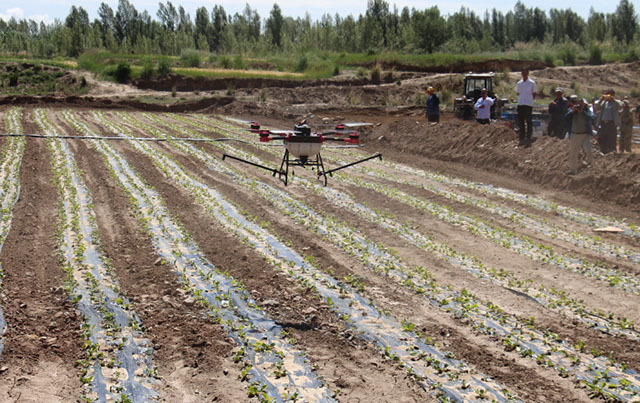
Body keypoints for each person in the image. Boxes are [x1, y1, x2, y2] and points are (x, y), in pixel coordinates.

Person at [565, 95, 594, 175]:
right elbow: (565, 117)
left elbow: (591, 117)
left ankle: (590, 165)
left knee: (588, 149)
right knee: (573, 153)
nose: (580, 105)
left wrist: (583, 112)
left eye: (582, 103)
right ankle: (573, 170)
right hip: (575, 134)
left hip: (585, 134)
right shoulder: (573, 111)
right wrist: (572, 111)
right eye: (579, 103)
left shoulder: (586, 111)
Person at [593, 89, 621, 154]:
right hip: (603, 124)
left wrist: (613, 100)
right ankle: (603, 152)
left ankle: (612, 152)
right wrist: (600, 100)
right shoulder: (604, 102)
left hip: (611, 124)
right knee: (602, 138)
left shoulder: (616, 102)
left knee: (611, 139)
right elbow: (597, 108)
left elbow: (620, 107)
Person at [515, 68, 537, 147]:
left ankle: (528, 136)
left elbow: (534, 93)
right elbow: (518, 93)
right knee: (521, 121)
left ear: (528, 73)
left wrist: (530, 100)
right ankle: (522, 136)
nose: (524, 74)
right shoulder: (519, 83)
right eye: (522, 73)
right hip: (521, 103)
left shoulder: (532, 83)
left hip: (528, 104)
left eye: (525, 73)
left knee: (528, 120)